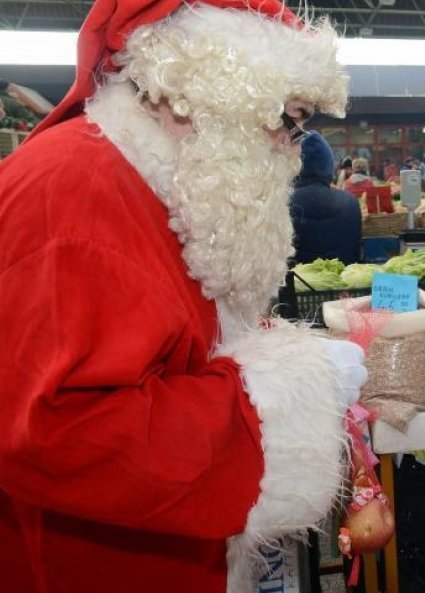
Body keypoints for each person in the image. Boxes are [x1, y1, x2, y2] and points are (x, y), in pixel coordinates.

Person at [0, 2, 368, 592]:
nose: (292, 147)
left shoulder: (161, 184)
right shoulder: (74, 193)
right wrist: (286, 393)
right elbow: (54, 430)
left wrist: (283, 356)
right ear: (198, 93)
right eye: (288, 119)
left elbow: (180, 332)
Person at [291, 133, 362, 265]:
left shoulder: (282, 203)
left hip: (298, 283)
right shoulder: (351, 202)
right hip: (343, 282)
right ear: (329, 164)